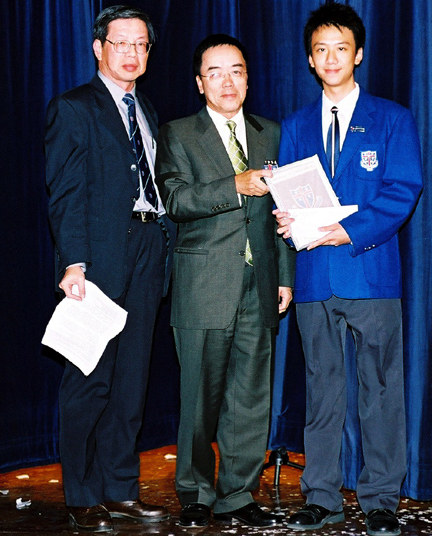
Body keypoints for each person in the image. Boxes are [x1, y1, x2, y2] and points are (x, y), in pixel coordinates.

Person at [274, 4, 423, 536]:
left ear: (358, 54)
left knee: (380, 389)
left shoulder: (393, 118)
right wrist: (285, 217)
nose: (331, 58)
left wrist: (348, 231)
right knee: (322, 391)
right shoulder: (295, 125)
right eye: (321, 50)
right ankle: (321, 497)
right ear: (310, 61)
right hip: (315, 277)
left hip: (371, 273)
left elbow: (403, 189)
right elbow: (289, 192)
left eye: (341, 48)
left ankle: (381, 500)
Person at [155, 34, 295, 529]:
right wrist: (234, 185)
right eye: (214, 73)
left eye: (236, 71)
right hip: (203, 285)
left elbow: (283, 212)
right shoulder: (177, 133)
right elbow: (175, 200)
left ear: (248, 79)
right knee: (199, 399)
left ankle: (238, 494)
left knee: (250, 398)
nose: (227, 81)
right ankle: (195, 492)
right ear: (200, 83)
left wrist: (284, 276)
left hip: (260, 284)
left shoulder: (270, 133)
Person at [44, 5, 175, 532]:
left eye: (141, 44)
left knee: (131, 382)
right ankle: (81, 494)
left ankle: (120, 489)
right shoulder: (74, 107)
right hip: (98, 261)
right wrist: (74, 263)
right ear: (99, 48)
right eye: (121, 43)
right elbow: (66, 192)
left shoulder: (147, 110)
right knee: (89, 380)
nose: (132, 53)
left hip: (148, 250)